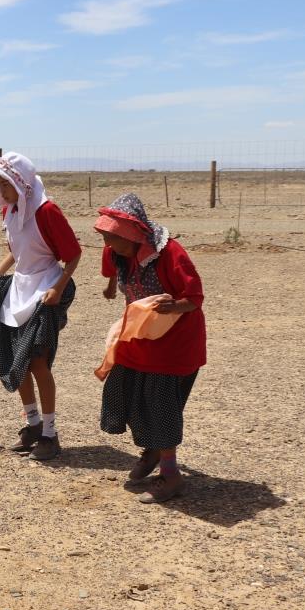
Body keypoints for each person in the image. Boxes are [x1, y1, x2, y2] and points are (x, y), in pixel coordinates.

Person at [96, 193, 206, 503]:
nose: (107, 244)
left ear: (131, 235)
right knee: (125, 391)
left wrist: (172, 307)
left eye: (111, 237)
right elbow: (110, 270)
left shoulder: (169, 254)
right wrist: (109, 286)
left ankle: (171, 476)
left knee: (160, 405)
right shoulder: (118, 250)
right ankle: (154, 448)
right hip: (140, 337)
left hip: (174, 344)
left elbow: (194, 297)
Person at [0, 152, 81, 461]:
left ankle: (50, 434)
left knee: (37, 363)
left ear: (19, 183)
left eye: (4, 186)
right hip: (20, 290)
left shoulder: (47, 212)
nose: (1, 193)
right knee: (16, 360)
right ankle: (32, 425)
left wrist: (57, 289)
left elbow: (73, 254)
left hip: (45, 288)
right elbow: (16, 250)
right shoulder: (12, 209)